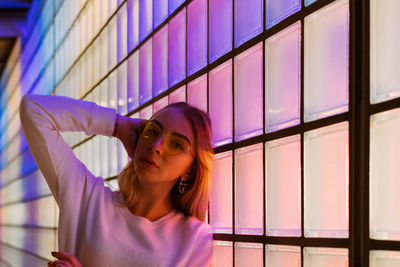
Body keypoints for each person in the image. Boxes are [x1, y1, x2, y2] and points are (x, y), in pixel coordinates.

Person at [19, 94, 214, 267]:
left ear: (190, 171)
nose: (156, 146)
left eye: (176, 144)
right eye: (153, 132)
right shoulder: (88, 198)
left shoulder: (194, 239)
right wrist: (117, 125)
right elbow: (34, 109)